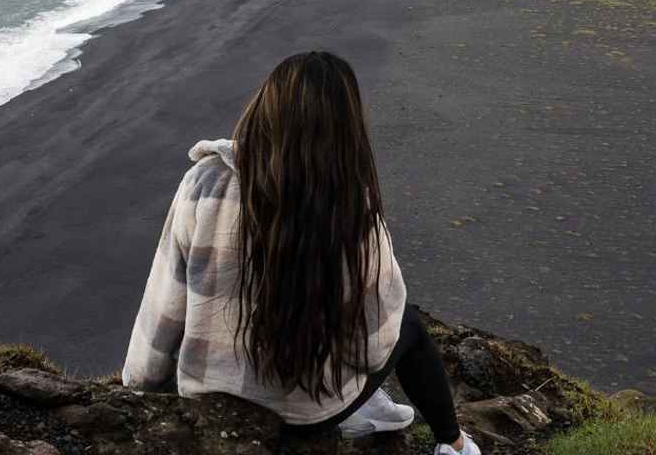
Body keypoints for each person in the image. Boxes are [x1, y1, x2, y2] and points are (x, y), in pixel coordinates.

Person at [123, 51, 478, 454]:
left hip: (207, 394)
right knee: (408, 324)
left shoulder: (205, 182)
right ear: (345, 127)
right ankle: (455, 444)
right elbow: (378, 340)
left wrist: (141, 391)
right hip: (311, 413)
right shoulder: (350, 205)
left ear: (265, 107)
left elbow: (165, 307)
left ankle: (377, 414)